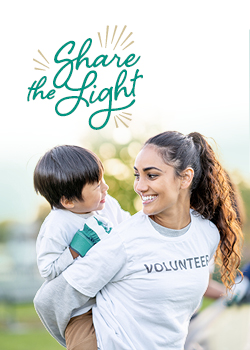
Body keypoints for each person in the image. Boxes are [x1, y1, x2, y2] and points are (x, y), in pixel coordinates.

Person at [34, 131, 243, 350]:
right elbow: (49, 301)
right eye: (137, 175)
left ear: (185, 177)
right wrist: (84, 343)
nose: (139, 186)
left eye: (151, 175)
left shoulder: (207, 233)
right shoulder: (123, 241)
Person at [33, 145, 130, 350]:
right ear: (68, 201)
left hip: (115, 296)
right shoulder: (57, 224)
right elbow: (48, 270)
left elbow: (129, 228)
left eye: (102, 179)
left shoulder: (106, 205)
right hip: (81, 309)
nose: (106, 188)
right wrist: (76, 249)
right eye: (96, 185)